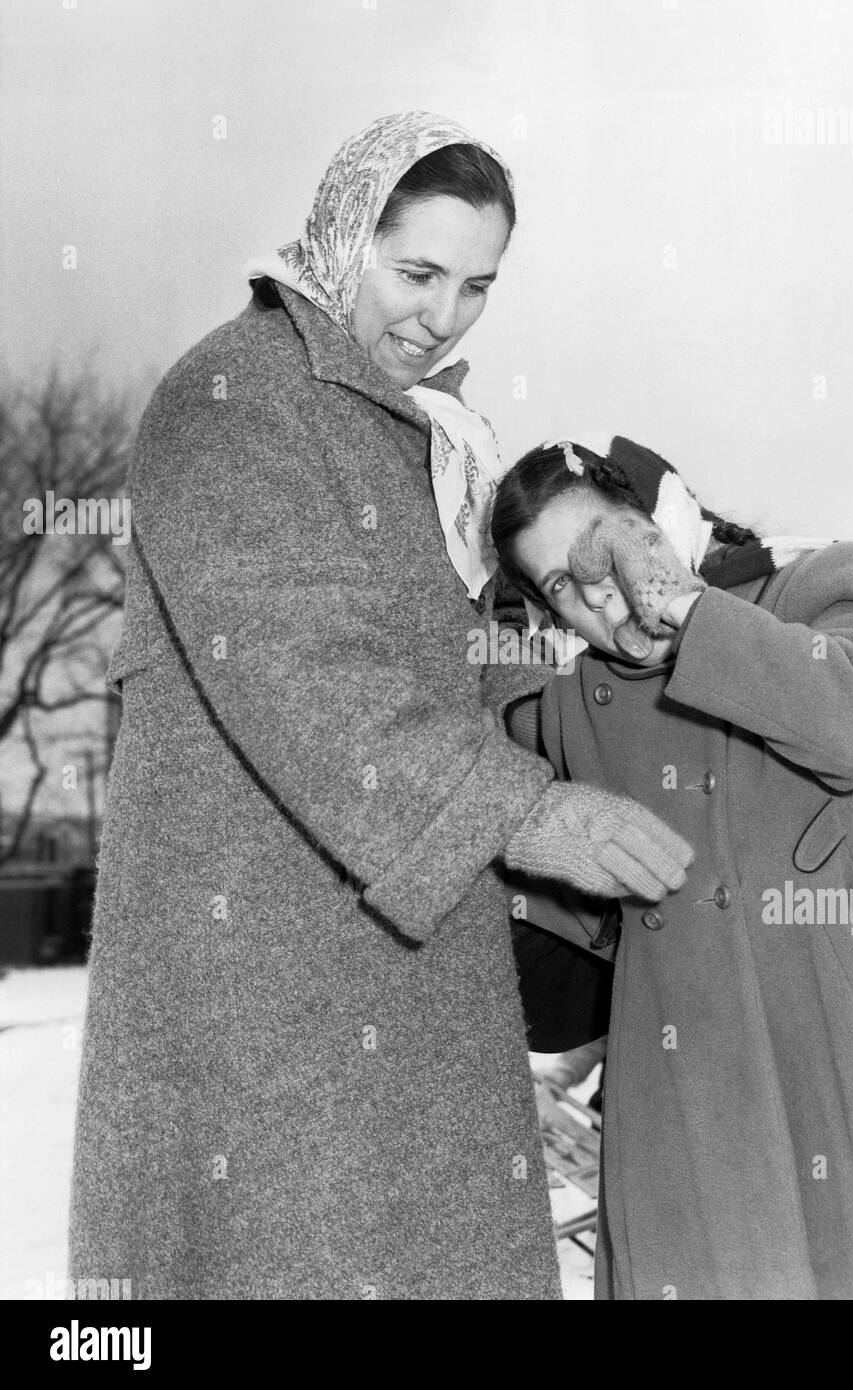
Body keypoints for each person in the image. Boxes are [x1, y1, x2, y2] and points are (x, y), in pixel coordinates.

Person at [68, 114, 692, 1300]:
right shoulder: (230, 399)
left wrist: (593, 660)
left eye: (475, 286)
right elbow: (301, 664)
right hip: (257, 951)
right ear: (343, 234)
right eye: (415, 273)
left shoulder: (440, 439)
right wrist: (532, 815)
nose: (441, 316)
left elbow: (459, 655)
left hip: (411, 937)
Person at [491, 435, 853, 1300]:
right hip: (697, 1082)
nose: (600, 588)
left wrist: (690, 606)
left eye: (609, 541)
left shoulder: (823, 585)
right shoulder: (572, 706)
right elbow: (473, 764)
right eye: (561, 583)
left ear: (664, 516)